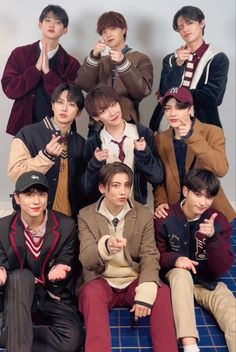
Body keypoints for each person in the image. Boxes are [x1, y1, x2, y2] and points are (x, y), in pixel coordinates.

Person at [77, 162, 178, 352]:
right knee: (90, 294)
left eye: (127, 185)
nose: (123, 191)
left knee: (161, 292)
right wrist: (105, 247)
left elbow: (149, 254)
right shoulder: (86, 215)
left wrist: (146, 291)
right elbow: (86, 259)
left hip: (133, 278)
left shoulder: (142, 213)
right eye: (116, 185)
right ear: (102, 188)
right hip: (102, 279)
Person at [0, 171, 83, 352]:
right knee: (22, 277)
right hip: (17, 297)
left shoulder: (66, 225)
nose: (36, 201)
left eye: (41, 194)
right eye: (29, 195)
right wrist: (1, 271)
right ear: (17, 198)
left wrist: (61, 268)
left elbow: (65, 260)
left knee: (72, 341)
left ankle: (19, 335)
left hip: (50, 296)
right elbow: (2, 265)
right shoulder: (3, 227)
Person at [155, 168, 236, 352]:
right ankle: (190, 346)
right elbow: (156, 255)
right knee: (181, 275)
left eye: (208, 197)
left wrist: (214, 238)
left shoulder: (218, 221)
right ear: (185, 191)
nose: (203, 202)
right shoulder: (164, 217)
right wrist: (176, 259)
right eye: (198, 195)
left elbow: (223, 268)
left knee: (230, 309)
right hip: (177, 279)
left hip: (207, 281)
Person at [154, 86, 235, 222]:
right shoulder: (161, 138)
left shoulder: (213, 132)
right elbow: (159, 178)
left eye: (179, 107)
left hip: (210, 211)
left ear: (190, 109)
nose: (172, 113)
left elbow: (221, 169)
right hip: (177, 212)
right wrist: (160, 200)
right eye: (168, 108)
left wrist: (192, 137)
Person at [8, 82, 87, 220]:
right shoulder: (27, 134)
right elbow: (15, 173)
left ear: (79, 112)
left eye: (71, 104)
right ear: (52, 105)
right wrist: (46, 156)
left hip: (68, 221)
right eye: (60, 102)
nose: (64, 108)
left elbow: (83, 187)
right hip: (33, 218)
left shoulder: (81, 143)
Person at [2, 4, 80, 136]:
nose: (51, 25)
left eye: (58, 22)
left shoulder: (72, 63)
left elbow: (72, 99)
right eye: (48, 20)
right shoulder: (19, 54)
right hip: (24, 127)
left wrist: (48, 73)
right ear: (40, 24)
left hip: (59, 129)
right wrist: (36, 70)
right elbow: (10, 89)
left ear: (65, 29)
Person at [149, 5, 229, 132]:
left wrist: (176, 94)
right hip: (166, 126)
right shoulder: (170, 59)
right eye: (180, 27)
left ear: (201, 23)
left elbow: (213, 97)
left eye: (189, 23)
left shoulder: (217, 58)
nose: (185, 29)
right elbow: (165, 92)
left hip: (202, 125)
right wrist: (178, 64)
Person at [82, 85, 163, 205]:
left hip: (137, 208)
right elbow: (87, 189)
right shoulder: (93, 143)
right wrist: (95, 163)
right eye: (103, 111)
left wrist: (144, 154)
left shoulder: (143, 134)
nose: (112, 113)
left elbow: (157, 177)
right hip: (106, 211)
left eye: (114, 104)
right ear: (95, 117)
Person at [75, 11, 153, 135]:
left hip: (127, 125)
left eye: (113, 28)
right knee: (95, 155)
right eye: (104, 31)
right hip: (98, 126)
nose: (108, 34)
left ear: (123, 30)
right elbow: (83, 84)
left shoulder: (141, 58)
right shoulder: (100, 60)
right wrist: (94, 56)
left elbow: (142, 91)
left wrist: (123, 62)